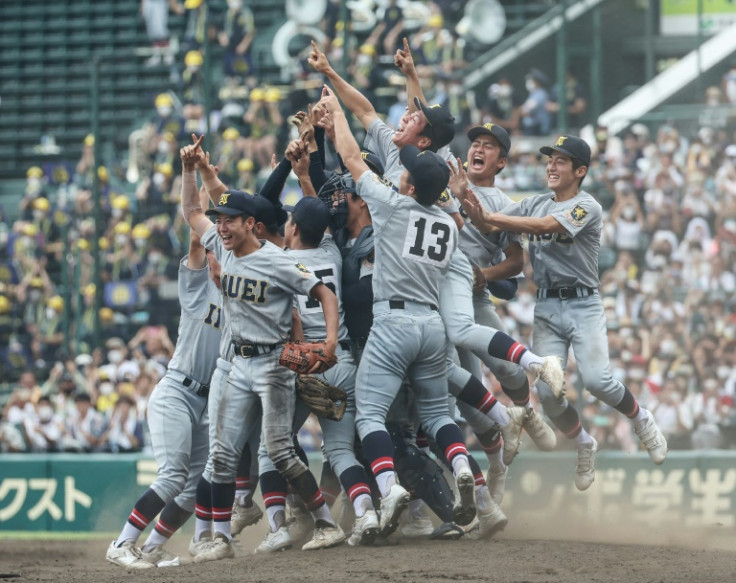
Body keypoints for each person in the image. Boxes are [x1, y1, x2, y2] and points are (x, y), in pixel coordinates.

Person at [456, 134, 669, 490]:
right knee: (550, 395)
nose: (551, 167)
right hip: (547, 307)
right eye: (549, 160)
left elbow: (546, 227)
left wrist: (492, 217)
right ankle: (584, 442)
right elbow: (489, 225)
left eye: (561, 161)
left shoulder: (588, 206)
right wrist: (465, 196)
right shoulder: (535, 202)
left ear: (580, 170)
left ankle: (642, 418)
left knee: (598, 381)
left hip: (583, 303)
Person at [314, 85, 476, 537]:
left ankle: (388, 487)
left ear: (409, 184)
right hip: (433, 326)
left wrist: (336, 115)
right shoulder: (448, 222)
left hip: (394, 322)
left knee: (368, 416)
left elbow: (350, 157)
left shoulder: (390, 207)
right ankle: (460, 464)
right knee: (438, 415)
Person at [179, 136, 345, 560]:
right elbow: (193, 211)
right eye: (220, 221)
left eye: (229, 220)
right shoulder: (220, 245)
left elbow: (325, 293)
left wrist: (328, 339)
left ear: (251, 224)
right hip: (238, 365)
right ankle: (219, 539)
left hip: (273, 364)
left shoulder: (277, 260)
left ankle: (325, 522)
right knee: (221, 454)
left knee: (280, 452)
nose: (220, 227)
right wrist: (190, 171)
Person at [105, 188, 222, 568]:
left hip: (206, 401)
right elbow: (193, 231)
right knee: (172, 477)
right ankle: (122, 543)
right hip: (177, 390)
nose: (213, 253)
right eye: (212, 250)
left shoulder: (239, 293)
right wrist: (196, 182)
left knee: (193, 488)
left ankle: (153, 545)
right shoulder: (195, 286)